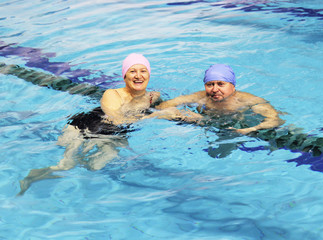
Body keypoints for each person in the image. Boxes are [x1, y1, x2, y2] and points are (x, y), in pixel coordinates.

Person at [18, 53, 163, 195]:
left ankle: (76, 164)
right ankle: (33, 176)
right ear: (125, 76)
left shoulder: (153, 96)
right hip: (85, 126)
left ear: (149, 74)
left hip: (112, 134)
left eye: (143, 71)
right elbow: (116, 120)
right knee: (66, 165)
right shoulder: (112, 93)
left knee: (95, 166)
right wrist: (153, 116)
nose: (139, 75)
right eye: (132, 71)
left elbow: (170, 106)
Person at [155, 64, 284, 135]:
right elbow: (165, 105)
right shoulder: (201, 97)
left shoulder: (248, 100)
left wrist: (250, 130)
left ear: (232, 87)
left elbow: (275, 120)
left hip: (242, 124)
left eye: (220, 84)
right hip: (211, 123)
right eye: (210, 84)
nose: (214, 89)